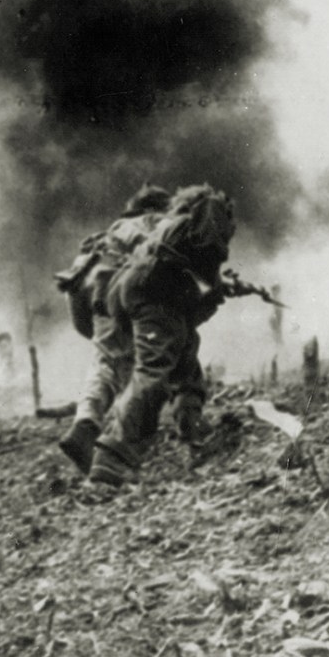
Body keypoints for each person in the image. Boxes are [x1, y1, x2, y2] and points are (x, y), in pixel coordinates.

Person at [88, 184, 236, 487]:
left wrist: (218, 286)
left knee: (185, 352)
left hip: (137, 290)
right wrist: (217, 288)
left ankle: (193, 428)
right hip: (153, 294)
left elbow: (189, 274)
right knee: (152, 371)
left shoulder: (170, 228)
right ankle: (111, 456)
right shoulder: (205, 215)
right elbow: (204, 267)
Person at [55, 184, 171, 473]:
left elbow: (78, 305)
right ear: (156, 209)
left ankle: (85, 424)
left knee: (105, 365)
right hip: (135, 298)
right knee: (148, 368)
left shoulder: (103, 239)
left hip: (96, 299)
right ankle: (120, 447)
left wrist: (99, 338)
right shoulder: (159, 225)